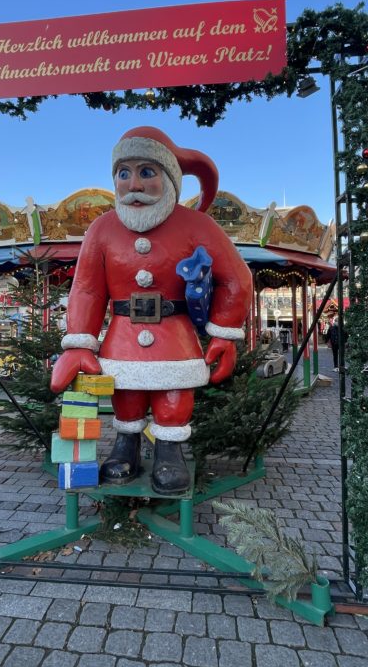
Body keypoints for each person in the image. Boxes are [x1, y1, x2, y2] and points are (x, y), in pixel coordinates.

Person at [50, 126, 252, 495]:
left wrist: (224, 332)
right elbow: (87, 288)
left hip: (174, 333)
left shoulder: (197, 225)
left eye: (146, 171)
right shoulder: (102, 229)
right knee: (125, 392)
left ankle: (169, 451)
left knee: (173, 394)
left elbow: (236, 278)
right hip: (123, 335)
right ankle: (126, 446)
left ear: (169, 178)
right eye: (123, 173)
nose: (134, 184)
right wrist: (79, 342)